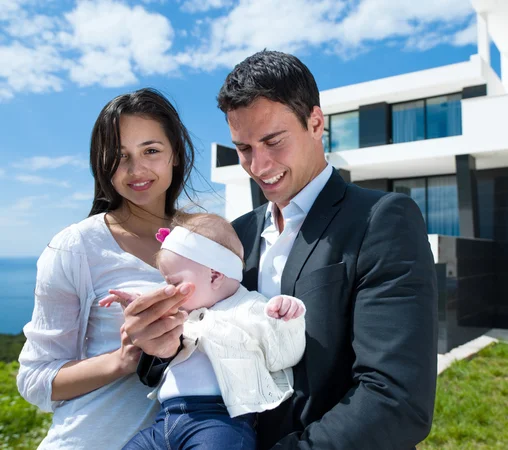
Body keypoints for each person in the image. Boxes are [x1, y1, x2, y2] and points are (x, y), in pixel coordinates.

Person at [122, 50, 438, 450]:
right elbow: (194, 335)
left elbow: (395, 398)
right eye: (244, 148)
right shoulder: (235, 236)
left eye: (273, 141)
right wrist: (159, 347)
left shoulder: (382, 220)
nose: (258, 164)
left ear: (316, 122)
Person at [16, 88, 198, 449]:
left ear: (174, 153)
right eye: (119, 156)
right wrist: (125, 358)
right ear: (102, 164)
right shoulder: (75, 247)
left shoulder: (206, 241)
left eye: (151, 150)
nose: (137, 170)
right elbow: (35, 380)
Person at [100, 213, 306, 450]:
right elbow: (157, 329)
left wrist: (286, 320)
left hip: (219, 419)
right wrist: (139, 305)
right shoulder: (183, 314)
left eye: (174, 283)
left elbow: (284, 354)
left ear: (215, 275)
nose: (168, 291)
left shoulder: (250, 308)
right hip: (166, 418)